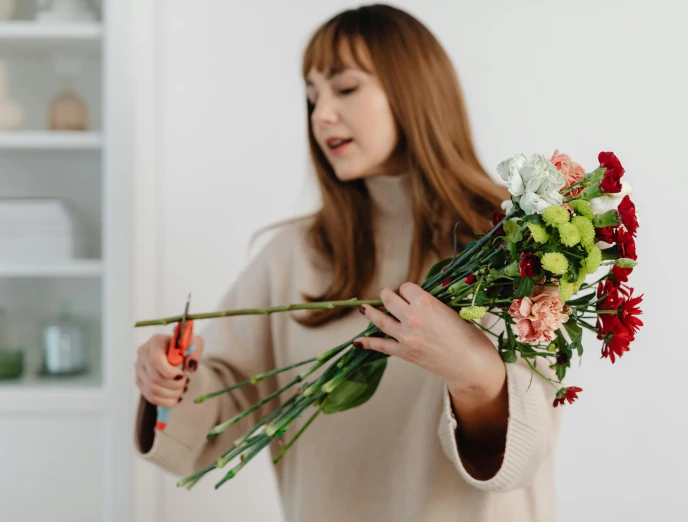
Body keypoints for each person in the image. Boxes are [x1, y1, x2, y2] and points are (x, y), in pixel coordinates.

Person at [134, 4, 560, 521]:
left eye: (345, 88)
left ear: (414, 89)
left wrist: (475, 376)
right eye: (312, 97)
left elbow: (526, 450)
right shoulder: (294, 255)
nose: (321, 114)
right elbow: (217, 413)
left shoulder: (509, 246)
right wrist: (172, 382)